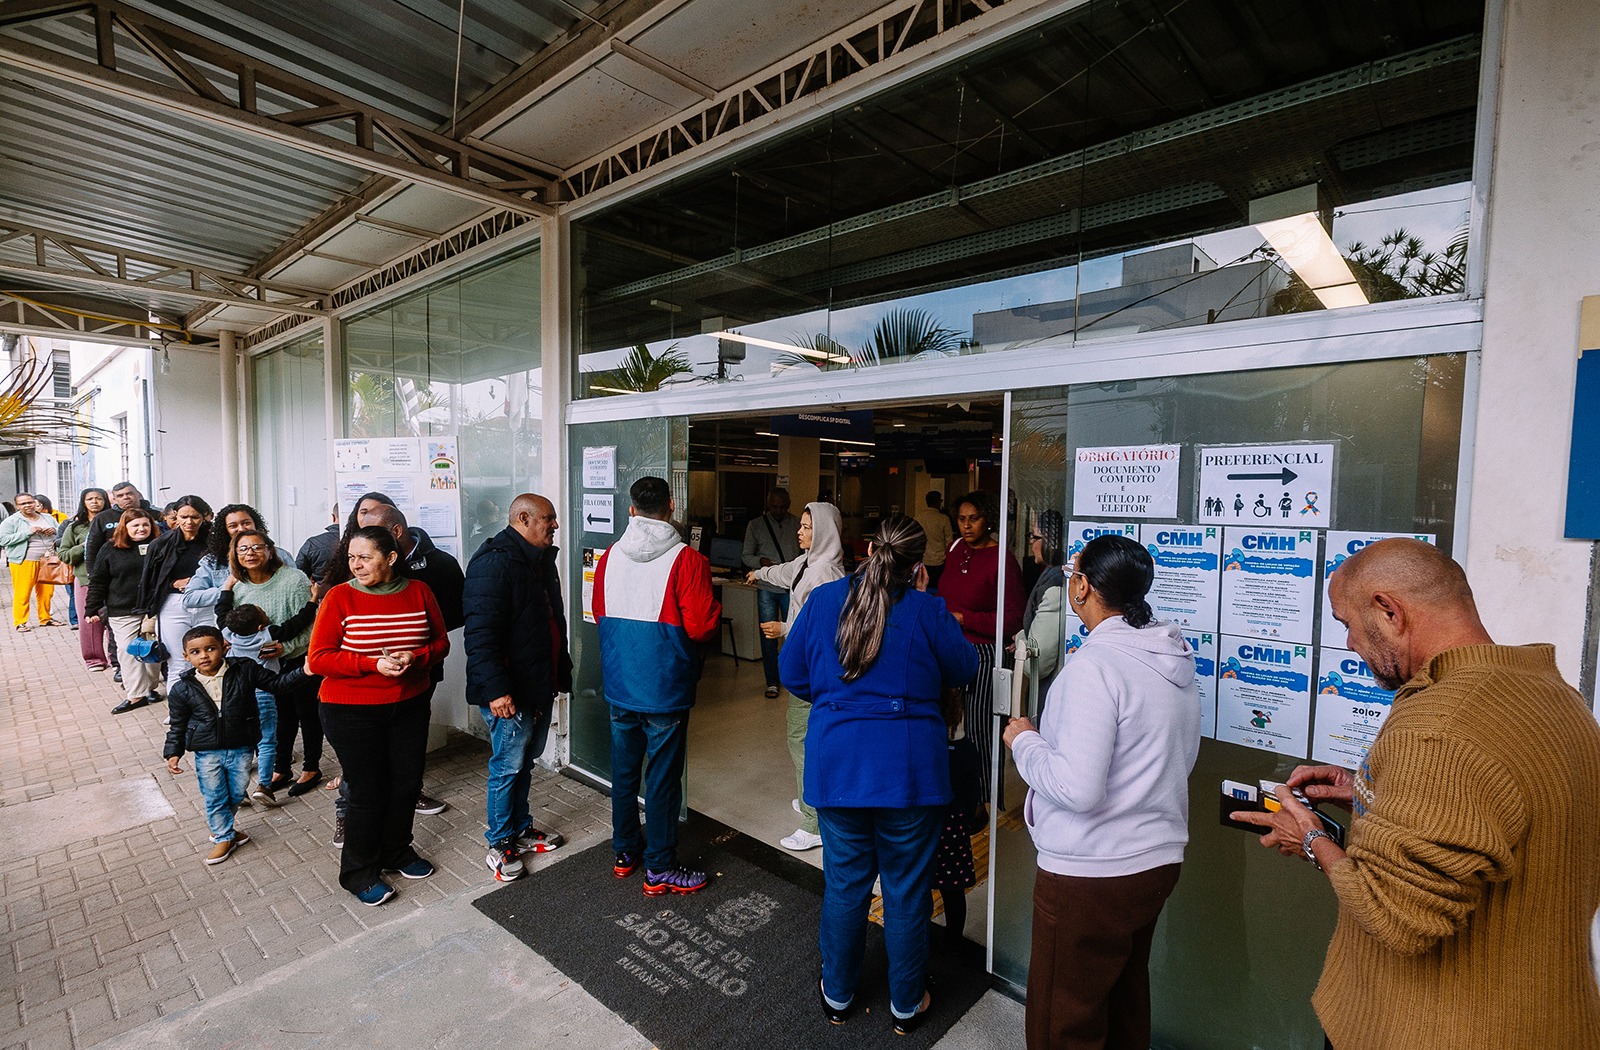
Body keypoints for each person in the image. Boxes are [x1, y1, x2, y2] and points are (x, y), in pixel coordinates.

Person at [1230, 538, 1600, 1049]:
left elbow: (1393, 917)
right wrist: (1367, 793)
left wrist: (1311, 837)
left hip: (1437, 1027)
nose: (1348, 643)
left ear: (1388, 611)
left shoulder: (1438, 727)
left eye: (1346, 623)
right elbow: (1493, 827)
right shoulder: (1551, 695)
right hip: (1550, 1012)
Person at [779, 514, 978, 1035]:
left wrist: (838, 700)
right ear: (917, 566)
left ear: (867, 548)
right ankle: (906, 1004)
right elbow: (964, 669)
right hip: (910, 772)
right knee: (906, 891)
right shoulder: (927, 610)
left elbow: (792, 674)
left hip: (838, 766)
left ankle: (838, 994)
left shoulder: (824, 601)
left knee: (845, 885)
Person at [1002, 534, 1200, 1050]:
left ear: (1082, 586)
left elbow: (1077, 786)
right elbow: (1179, 757)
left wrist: (1024, 741)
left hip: (1090, 876)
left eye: (1073, 574)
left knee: (1061, 1022)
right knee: (1124, 999)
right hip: (1155, 863)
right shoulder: (1173, 659)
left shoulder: (1095, 667)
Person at [307, 525, 449, 907]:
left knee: (406, 783)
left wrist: (414, 657)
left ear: (390, 557)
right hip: (350, 710)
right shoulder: (338, 598)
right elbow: (318, 659)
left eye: (365, 557)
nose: (356, 565)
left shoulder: (420, 591)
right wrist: (372, 664)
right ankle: (358, 872)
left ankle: (397, 851)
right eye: (352, 557)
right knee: (367, 791)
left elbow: (440, 642)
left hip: (409, 704)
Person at [594, 475, 721, 895]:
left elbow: (598, 611)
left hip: (620, 683)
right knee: (663, 781)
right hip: (665, 687)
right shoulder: (687, 560)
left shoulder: (609, 556)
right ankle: (661, 866)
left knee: (625, 774)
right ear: (670, 507)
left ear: (631, 509)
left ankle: (625, 852)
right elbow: (702, 626)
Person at [463, 493, 572, 881]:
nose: (555, 525)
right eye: (549, 518)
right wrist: (496, 690)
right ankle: (499, 842)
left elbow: (547, 622)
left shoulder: (539, 560)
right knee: (507, 766)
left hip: (536, 684)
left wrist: (560, 673)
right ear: (523, 518)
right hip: (508, 692)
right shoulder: (495, 563)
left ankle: (520, 829)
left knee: (524, 761)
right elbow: (480, 636)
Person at [746, 501, 846, 852]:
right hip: (805, 666)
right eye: (801, 525)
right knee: (803, 738)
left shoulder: (827, 575)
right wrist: (759, 574)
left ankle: (813, 821)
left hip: (816, 671)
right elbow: (785, 572)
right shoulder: (809, 563)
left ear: (824, 532)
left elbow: (823, 630)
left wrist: (784, 626)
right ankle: (809, 801)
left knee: (803, 741)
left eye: (807, 527)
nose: (800, 531)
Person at [163, 626, 300, 865]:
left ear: (224, 647)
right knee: (215, 796)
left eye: (210, 648)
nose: (204, 655)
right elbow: (177, 724)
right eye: (195, 652)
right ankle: (223, 837)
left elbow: (278, 684)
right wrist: (173, 752)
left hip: (241, 746)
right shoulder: (182, 688)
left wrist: (305, 671)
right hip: (206, 752)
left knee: (236, 794)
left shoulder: (244, 669)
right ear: (186, 656)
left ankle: (229, 831)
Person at [936, 491, 1024, 810]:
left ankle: (984, 804)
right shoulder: (955, 548)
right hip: (950, 648)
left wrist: (966, 618)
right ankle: (956, 797)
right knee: (947, 728)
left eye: (974, 518)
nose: (967, 525)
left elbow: (1014, 616)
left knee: (980, 732)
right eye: (961, 519)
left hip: (984, 653)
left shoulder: (1003, 559)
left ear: (988, 520)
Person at [216, 529, 320, 798]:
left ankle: (311, 768)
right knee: (279, 717)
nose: (250, 553)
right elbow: (228, 624)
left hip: (297, 659)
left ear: (270, 550)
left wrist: (286, 647)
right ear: (235, 556)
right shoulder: (237, 588)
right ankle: (281, 768)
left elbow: (309, 623)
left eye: (256, 547)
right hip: (262, 670)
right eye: (243, 549)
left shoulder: (293, 579)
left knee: (307, 714)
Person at [85, 507, 165, 714]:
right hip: (122, 608)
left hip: (153, 607)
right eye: (135, 525)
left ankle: (150, 688)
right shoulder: (111, 548)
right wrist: (91, 608)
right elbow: (98, 580)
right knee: (128, 649)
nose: (141, 529)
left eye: (145, 525)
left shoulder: (161, 546)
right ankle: (136, 694)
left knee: (151, 648)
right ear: (125, 527)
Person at [139, 495, 215, 695]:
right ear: (174, 516)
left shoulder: (215, 543)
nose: (189, 522)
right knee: (179, 662)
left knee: (211, 659)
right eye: (184, 517)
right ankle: (177, 713)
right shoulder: (161, 544)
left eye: (195, 517)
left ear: (205, 517)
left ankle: (211, 708)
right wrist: (173, 583)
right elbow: (151, 578)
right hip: (174, 604)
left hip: (208, 603)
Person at [741, 487, 801, 699]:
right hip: (767, 587)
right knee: (768, 636)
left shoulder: (797, 524)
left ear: (789, 504)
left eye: (783, 507)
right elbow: (746, 555)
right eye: (774, 507)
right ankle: (772, 681)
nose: (778, 511)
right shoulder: (756, 525)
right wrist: (761, 563)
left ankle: (792, 677)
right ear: (768, 505)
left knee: (793, 633)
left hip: (790, 588)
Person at [58, 488, 111, 667]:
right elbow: (64, 554)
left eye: (99, 498)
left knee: (115, 619)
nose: (95, 502)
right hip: (85, 579)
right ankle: (94, 659)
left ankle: (117, 659)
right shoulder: (74, 526)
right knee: (89, 620)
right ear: (84, 502)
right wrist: (85, 546)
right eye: (90, 499)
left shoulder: (112, 522)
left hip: (114, 578)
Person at [1021, 509, 1067, 709]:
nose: (1031, 541)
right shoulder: (1051, 573)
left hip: (1050, 693)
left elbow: (1037, 664)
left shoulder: (1055, 584)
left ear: (1052, 541)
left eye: (1035, 536)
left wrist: (1021, 639)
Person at [2, 493, 64, 629]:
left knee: (47, 592)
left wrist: (54, 530)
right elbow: (3, 539)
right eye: (23, 504)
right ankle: (20, 622)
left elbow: (61, 533)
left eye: (30, 502)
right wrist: (28, 532)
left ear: (35, 503)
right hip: (24, 560)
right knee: (23, 592)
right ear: (17, 506)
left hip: (47, 560)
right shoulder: (11, 521)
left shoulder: (47, 517)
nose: (28, 505)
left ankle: (45, 618)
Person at [915, 491, 954, 590]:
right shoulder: (943, 519)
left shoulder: (918, 518)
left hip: (922, 559)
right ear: (939, 502)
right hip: (939, 560)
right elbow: (949, 542)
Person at [294, 506, 341, 584]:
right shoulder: (365, 541)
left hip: (322, 593)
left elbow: (298, 576)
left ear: (333, 517)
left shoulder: (312, 543)